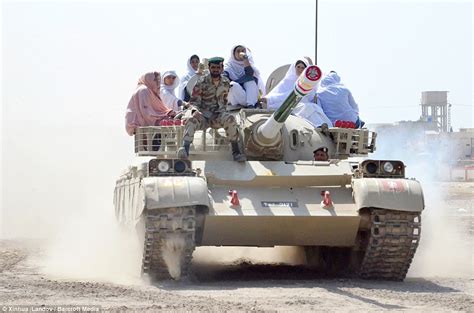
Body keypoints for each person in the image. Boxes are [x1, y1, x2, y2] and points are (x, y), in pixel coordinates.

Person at [177, 57, 246, 161]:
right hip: (203, 116)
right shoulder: (201, 82)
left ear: (222, 68)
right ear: (209, 68)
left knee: (230, 119)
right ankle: (185, 149)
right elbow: (194, 101)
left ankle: (236, 152)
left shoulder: (226, 82)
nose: (215, 70)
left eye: (218, 67)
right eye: (213, 67)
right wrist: (195, 111)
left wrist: (223, 113)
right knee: (191, 120)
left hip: (218, 116)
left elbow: (224, 101)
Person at [261, 57, 332, 128]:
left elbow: (310, 95)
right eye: (298, 67)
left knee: (313, 108)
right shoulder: (287, 81)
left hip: (303, 103)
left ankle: (322, 126)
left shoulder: (307, 82)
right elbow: (281, 94)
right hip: (287, 104)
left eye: (302, 68)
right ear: (295, 67)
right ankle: (318, 125)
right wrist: (268, 99)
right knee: (306, 108)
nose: (300, 69)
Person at [125, 71, 176, 136]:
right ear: (149, 80)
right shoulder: (144, 90)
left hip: (144, 127)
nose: (158, 83)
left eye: (158, 80)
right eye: (155, 80)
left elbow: (158, 109)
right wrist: (163, 117)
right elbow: (146, 113)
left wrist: (168, 113)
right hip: (138, 125)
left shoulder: (150, 91)